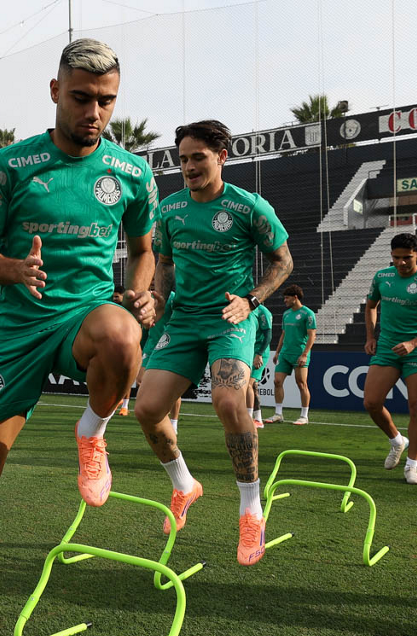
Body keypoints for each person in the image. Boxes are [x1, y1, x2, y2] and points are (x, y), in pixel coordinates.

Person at [0, 38, 160, 636]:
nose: (94, 112)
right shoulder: (10, 166)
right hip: (17, 329)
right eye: (81, 97)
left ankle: (92, 433)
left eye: (106, 101)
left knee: (123, 336)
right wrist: (15, 271)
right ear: (55, 92)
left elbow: (144, 251)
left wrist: (141, 291)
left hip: (83, 316)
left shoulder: (132, 173)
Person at [134, 119, 294, 567]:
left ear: (222, 157)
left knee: (227, 402)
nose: (188, 166)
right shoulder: (169, 210)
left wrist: (252, 299)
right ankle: (185, 484)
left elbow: (283, 262)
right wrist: (159, 298)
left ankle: (250, 510)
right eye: (182, 159)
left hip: (231, 317)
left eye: (197, 157)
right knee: (146, 410)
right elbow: (164, 263)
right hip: (183, 320)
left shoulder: (249, 207)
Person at [361, 232, 417, 485]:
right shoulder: (382, 277)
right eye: (396, 257)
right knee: (371, 402)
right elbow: (371, 306)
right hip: (388, 347)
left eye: (406, 258)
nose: (400, 263)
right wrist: (370, 336)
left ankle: (412, 466)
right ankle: (397, 440)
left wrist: (413, 343)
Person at [266, 285, 316, 425]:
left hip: (299, 354)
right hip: (285, 354)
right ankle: (278, 414)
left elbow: (312, 335)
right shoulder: (286, 314)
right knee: (277, 381)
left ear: (295, 297)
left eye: (287, 298)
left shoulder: (308, 314)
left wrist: (305, 354)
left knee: (301, 384)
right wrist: (277, 352)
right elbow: (284, 333)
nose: (284, 300)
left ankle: (304, 416)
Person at [132, 289, 180, 430]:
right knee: (140, 379)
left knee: (173, 387)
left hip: (168, 343)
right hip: (151, 344)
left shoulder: (173, 297)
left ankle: (174, 423)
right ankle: (157, 413)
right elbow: (145, 325)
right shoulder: (147, 297)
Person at [249, 298, 273, 429]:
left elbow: (268, 335)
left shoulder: (263, 312)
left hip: (259, 353)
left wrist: (259, 354)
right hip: (247, 351)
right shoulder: (246, 310)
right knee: (250, 386)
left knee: (250, 385)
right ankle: (254, 418)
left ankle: (254, 418)